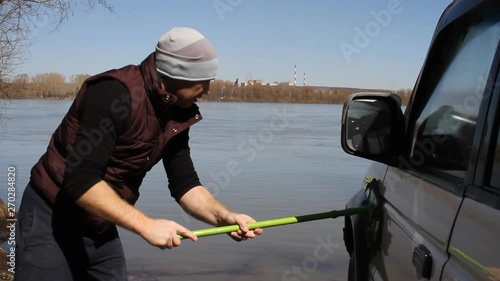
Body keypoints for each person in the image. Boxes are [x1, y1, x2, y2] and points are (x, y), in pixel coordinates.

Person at [15, 27, 263, 281]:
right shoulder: (113, 94)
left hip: (101, 222)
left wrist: (225, 217)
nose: (208, 89)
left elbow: (185, 184)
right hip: (51, 216)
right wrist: (146, 225)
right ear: (177, 76)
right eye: (204, 80)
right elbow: (80, 181)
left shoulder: (177, 111)